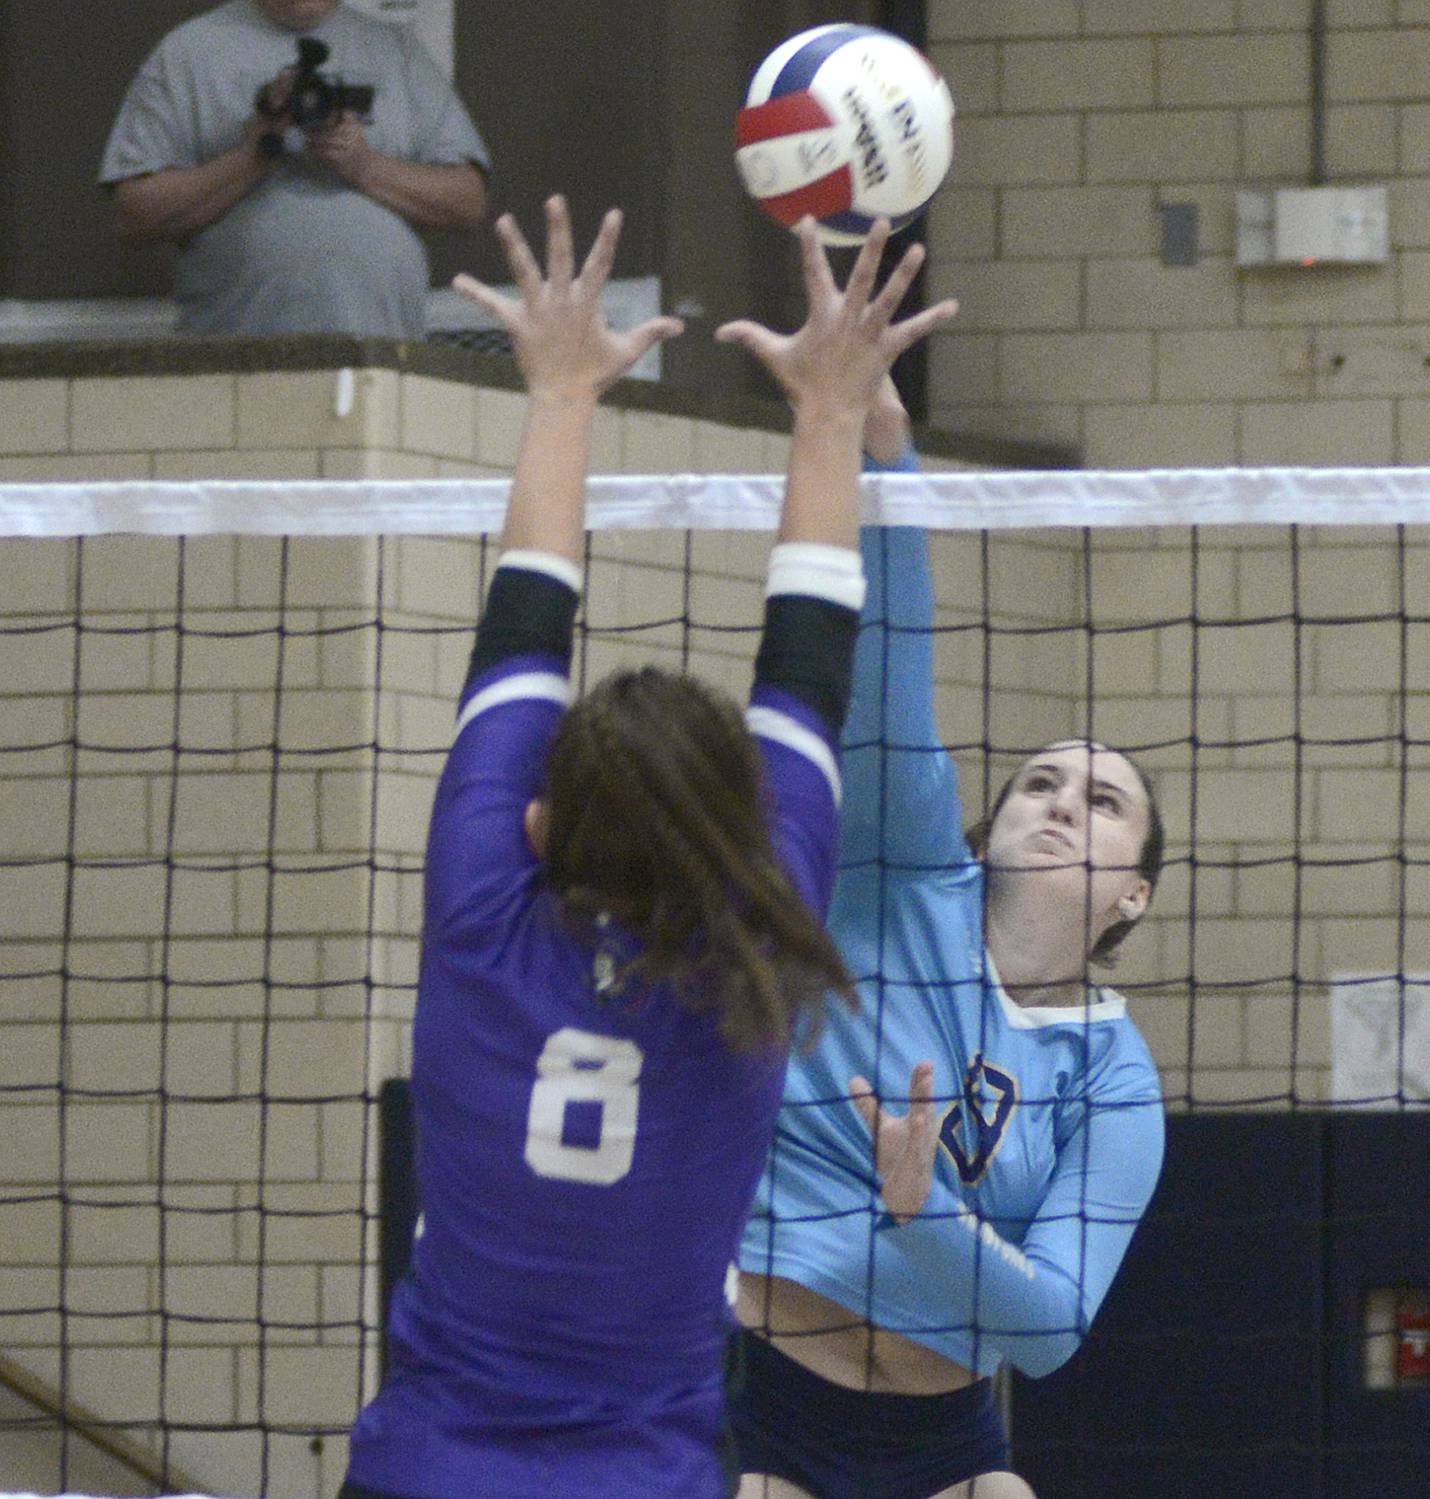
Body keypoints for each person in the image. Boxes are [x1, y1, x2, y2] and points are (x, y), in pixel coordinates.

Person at [336, 196, 957, 1499]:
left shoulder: (483, 920)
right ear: (738, 822)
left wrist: (561, 389)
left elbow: (524, 623)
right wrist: (835, 411)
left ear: (536, 825)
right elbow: (811, 650)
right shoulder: (759, 942)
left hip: (429, 1472)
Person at [731, 379, 1168, 1499]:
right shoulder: (898, 874)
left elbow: (1056, 1324)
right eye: (1040, 780)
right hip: (763, 1398)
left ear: (1133, 896)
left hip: (944, 1445)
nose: (1064, 800)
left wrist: (924, 1211)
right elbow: (887, 683)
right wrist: (889, 458)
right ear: (995, 816)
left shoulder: (1114, 1079)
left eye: (1104, 801)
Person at [99, 0, 490, 338]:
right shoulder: (188, 53)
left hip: (382, 354)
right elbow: (134, 214)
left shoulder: (397, 51)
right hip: (239, 360)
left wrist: (364, 166)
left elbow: (468, 200)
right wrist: (254, 155)